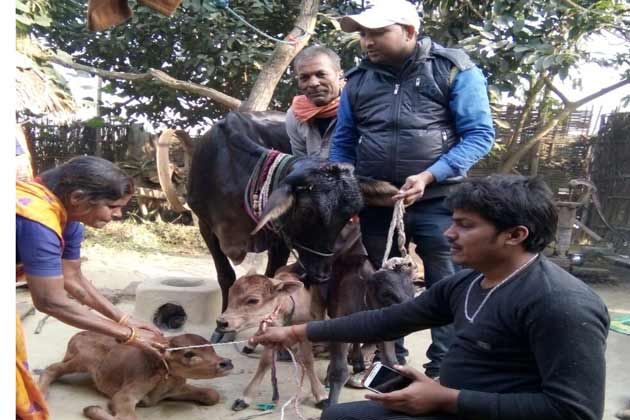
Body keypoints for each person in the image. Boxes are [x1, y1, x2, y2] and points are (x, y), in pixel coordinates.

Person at [250, 175, 610, 420]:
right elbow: (391, 319)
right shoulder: (470, 283)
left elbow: (574, 411)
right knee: (336, 414)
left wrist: (446, 399)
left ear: (514, 235)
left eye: (466, 225)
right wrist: (296, 333)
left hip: (473, 409)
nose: (448, 234)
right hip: (457, 402)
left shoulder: (560, 304)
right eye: (452, 221)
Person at [328, 0, 495, 376]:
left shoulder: (453, 70)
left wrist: (429, 175)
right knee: (383, 284)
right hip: (376, 204)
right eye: (363, 34)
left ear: (408, 31)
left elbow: (479, 135)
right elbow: (343, 142)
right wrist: (350, 183)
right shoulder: (357, 81)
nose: (366, 42)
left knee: (447, 282)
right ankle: (390, 361)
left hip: (440, 201)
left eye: (376, 32)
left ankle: (444, 366)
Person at [16, 156, 166, 420]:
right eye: (112, 206)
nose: (117, 215)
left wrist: (124, 319)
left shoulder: (68, 217)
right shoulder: (36, 220)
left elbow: (72, 278)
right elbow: (51, 301)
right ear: (78, 197)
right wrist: (129, 335)